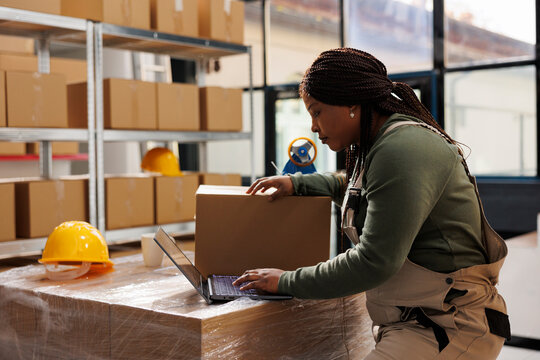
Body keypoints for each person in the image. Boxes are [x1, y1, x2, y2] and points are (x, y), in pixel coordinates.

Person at [232, 48, 510, 359]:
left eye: (317, 111)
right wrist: (297, 183)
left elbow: (373, 262)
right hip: (416, 319)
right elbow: (356, 187)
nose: (313, 126)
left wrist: (285, 281)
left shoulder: (402, 150)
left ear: (352, 102)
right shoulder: (377, 144)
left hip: (450, 326)